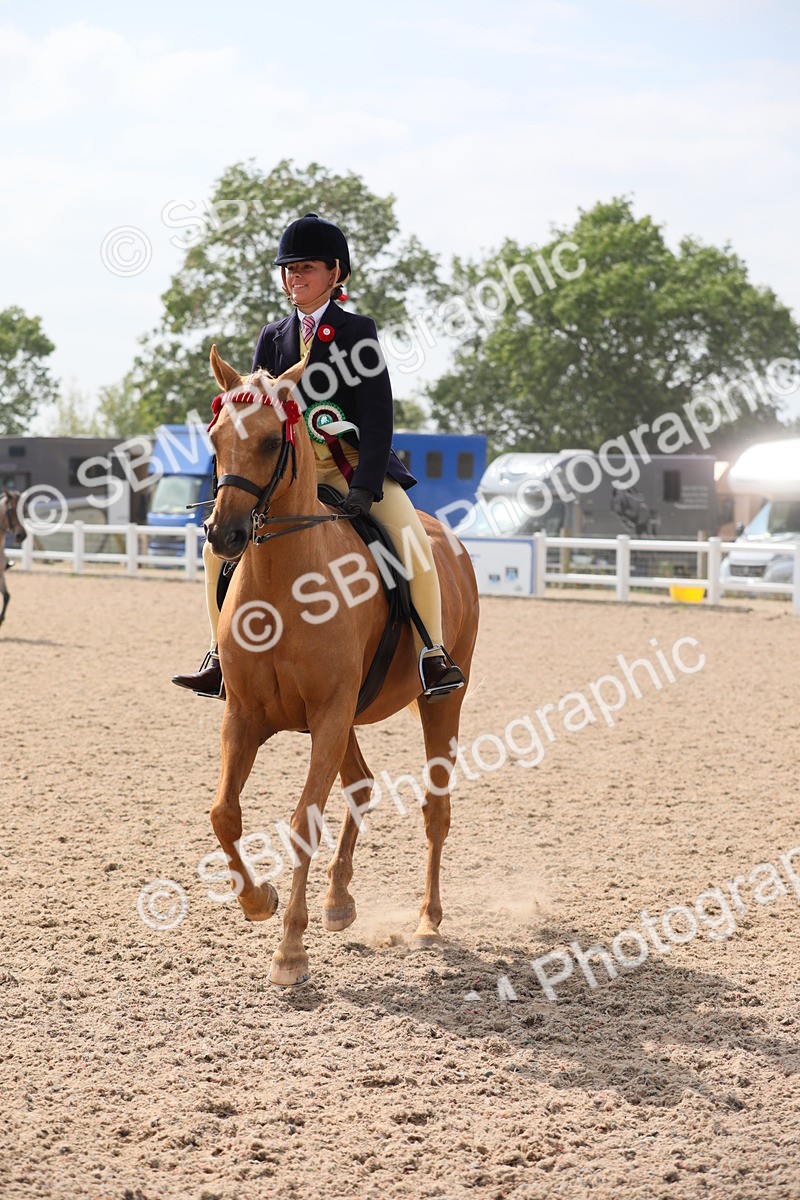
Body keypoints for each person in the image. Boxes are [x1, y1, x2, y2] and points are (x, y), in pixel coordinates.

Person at [172, 213, 466, 703]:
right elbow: (255, 415)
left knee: (412, 541)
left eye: (305, 267)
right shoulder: (273, 336)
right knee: (213, 551)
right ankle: (219, 656)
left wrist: (366, 487)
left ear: (335, 272)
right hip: (286, 475)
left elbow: (377, 419)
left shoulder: (357, 331)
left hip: (352, 468)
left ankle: (431, 653)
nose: (294, 278)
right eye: (288, 269)